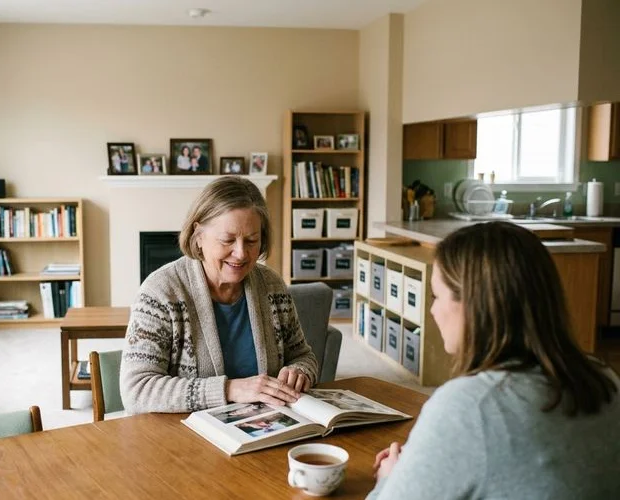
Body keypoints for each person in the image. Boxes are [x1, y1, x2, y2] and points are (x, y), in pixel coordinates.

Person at [367, 222, 619, 499]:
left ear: (472, 305)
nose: (432, 310)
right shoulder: (606, 379)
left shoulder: (471, 405)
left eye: (436, 296)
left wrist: (388, 478)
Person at [120, 176, 318, 414]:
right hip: (182, 432)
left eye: (252, 240)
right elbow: (136, 391)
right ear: (198, 236)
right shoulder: (160, 292)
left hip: (264, 425)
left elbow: (303, 355)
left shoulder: (272, 286)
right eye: (227, 240)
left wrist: (300, 371)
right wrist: (229, 389)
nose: (241, 253)